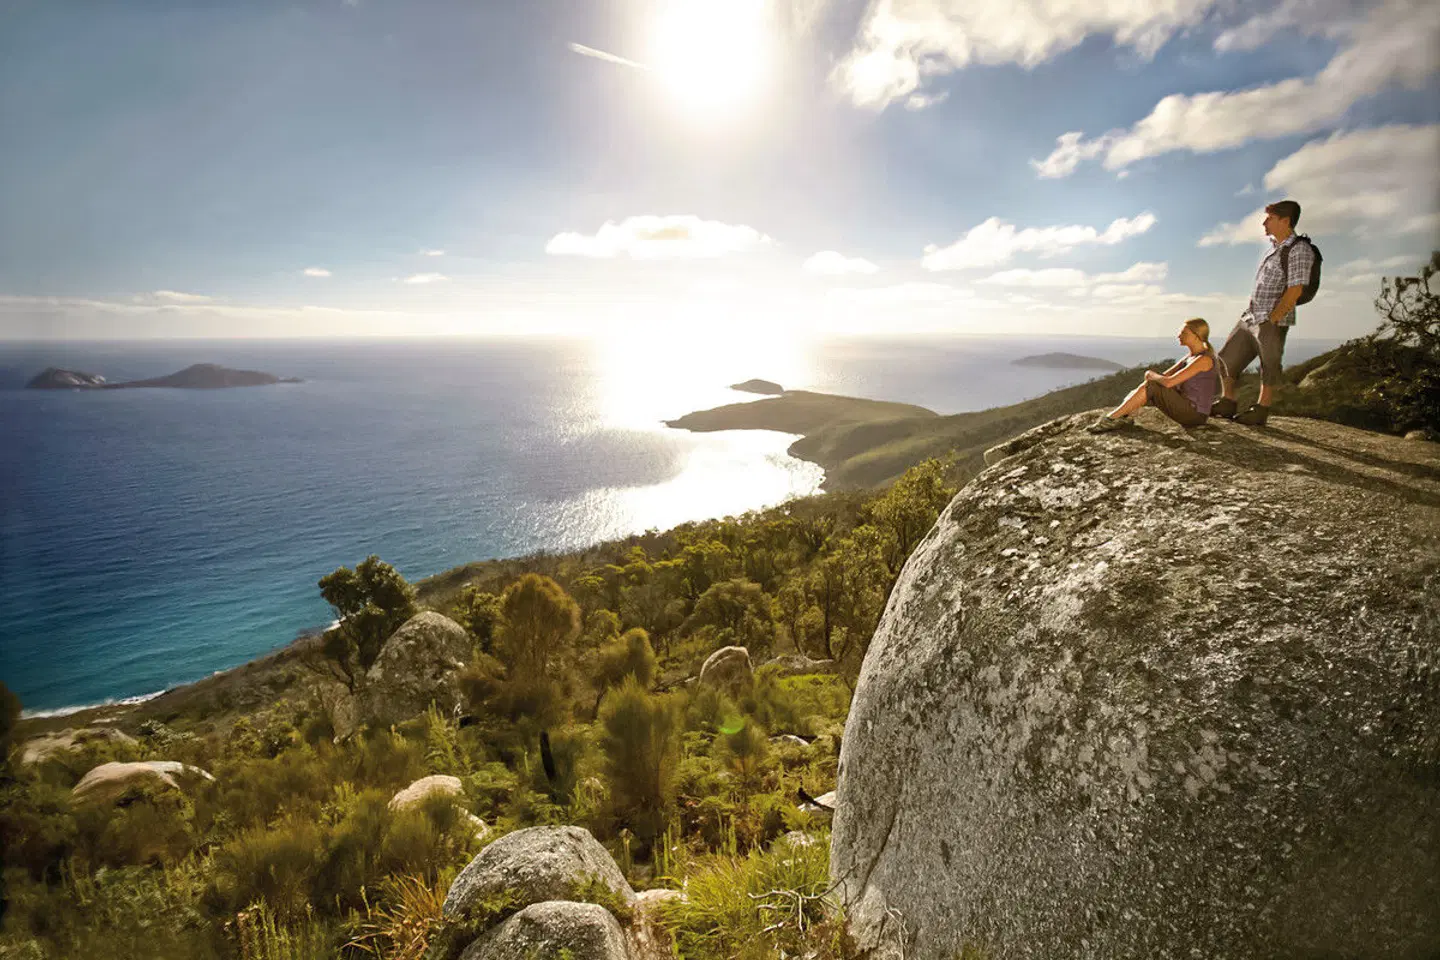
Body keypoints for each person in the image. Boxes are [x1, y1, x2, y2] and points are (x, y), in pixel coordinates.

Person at [1210, 199, 1314, 426]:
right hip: (1251, 316)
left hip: (1269, 319)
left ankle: (1261, 409)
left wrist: (1273, 319)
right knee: (1226, 356)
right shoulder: (1274, 249)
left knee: (1269, 364)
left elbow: (1295, 289)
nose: (1264, 223)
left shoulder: (1299, 250)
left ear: (1285, 221)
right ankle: (1228, 401)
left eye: (1270, 218)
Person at [1088, 318, 1219, 433]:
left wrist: (1150, 374)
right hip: (1187, 408)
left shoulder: (1203, 360)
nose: (1178, 335)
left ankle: (1112, 418)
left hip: (1195, 415)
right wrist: (1152, 377)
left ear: (1196, 336)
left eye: (1184, 332)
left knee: (1152, 384)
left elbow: (1168, 382)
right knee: (1151, 384)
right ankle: (1122, 415)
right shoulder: (1190, 357)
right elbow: (1166, 375)